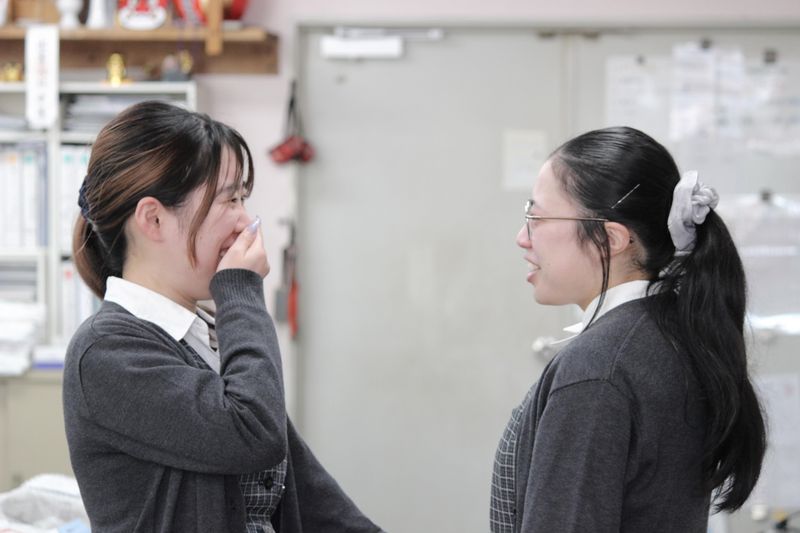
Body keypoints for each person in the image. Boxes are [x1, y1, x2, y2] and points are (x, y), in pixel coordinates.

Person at [62, 100, 382, 533]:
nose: (245, 221)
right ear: (153, 219)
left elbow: (313, 498)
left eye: (243, 198)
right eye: (229, 199)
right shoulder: (106, 352)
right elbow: (252, 431)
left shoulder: (204, 336)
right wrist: (239, 289)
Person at [490, 126, 767, 532]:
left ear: (610, 238)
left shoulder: (598, 369)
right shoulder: (665, 333)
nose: (522, 238)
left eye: (536, 217)